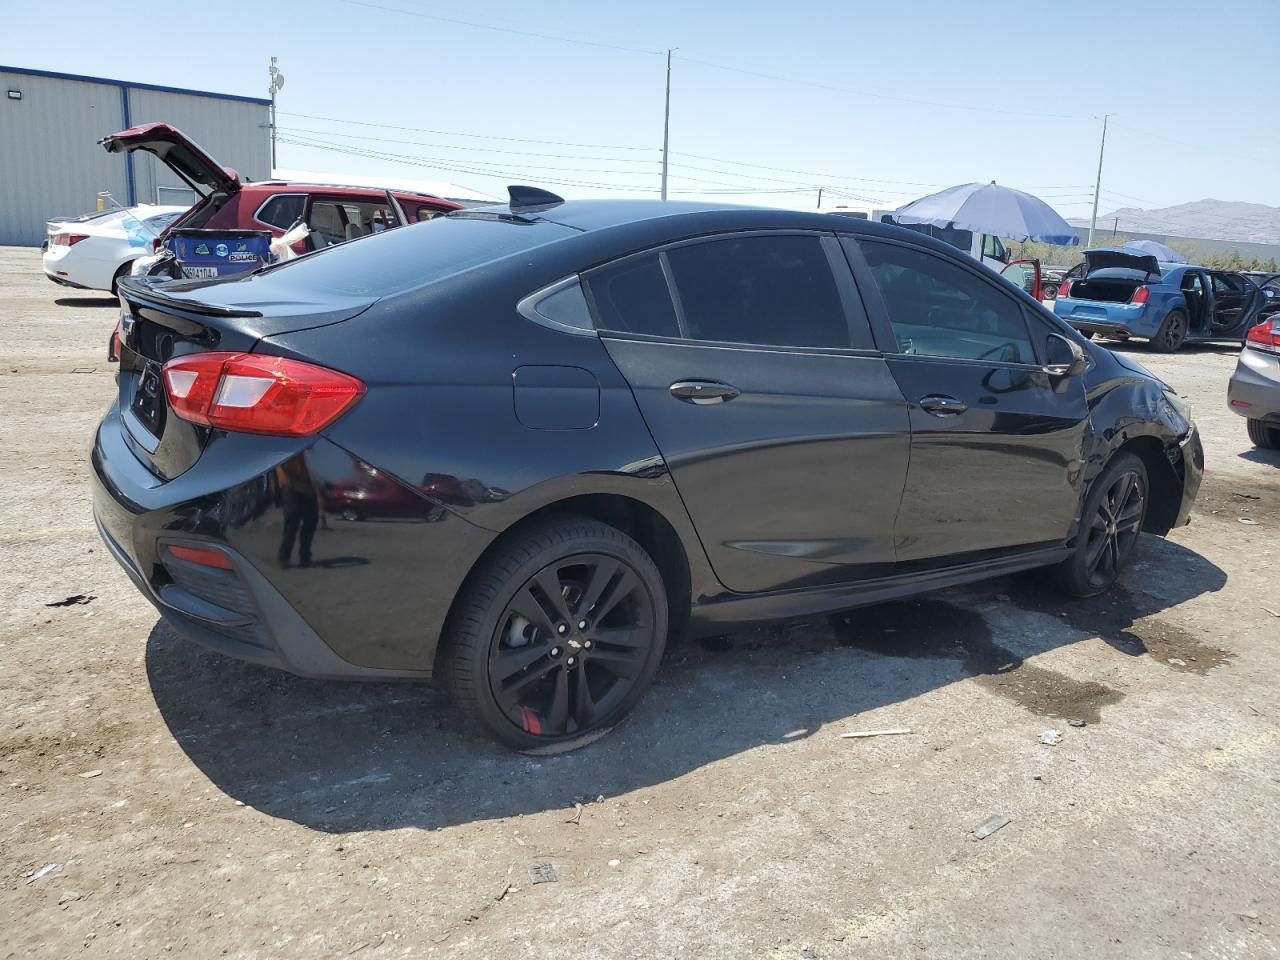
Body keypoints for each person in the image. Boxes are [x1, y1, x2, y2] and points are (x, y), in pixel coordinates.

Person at [276, 454, 319, 567]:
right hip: (291, 487)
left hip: (307, 485)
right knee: (292, 521)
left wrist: (315, 488)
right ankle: (284, 558)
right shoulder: (286, 452)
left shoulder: (310, 453)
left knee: (310, 522)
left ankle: (305, 558)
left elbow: (314, 471)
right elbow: (283, 475)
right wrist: (300, 487)